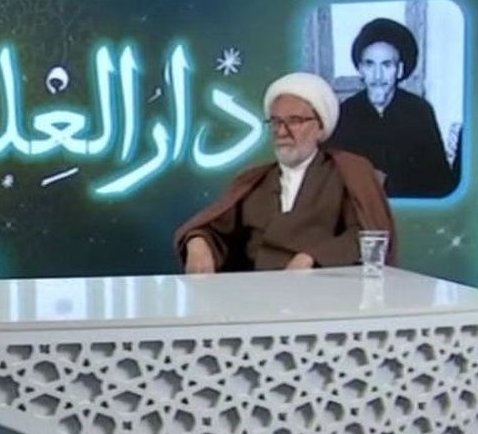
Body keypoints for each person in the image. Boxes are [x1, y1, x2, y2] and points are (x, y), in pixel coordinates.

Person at [174, 72, 398, 274]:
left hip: (322, 293)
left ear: (320, 128)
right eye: (276, 122)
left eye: (294, 121)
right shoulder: (254, 181)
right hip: (255, 294)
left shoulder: (347, 172)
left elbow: (367, 235)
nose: (282, 131)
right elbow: (214, 229)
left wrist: (312, 257)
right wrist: (198, 242)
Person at [328, 17, 456, 198]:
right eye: (370, 64)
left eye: (387, 65)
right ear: (360, 69)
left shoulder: (419, 112)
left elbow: (439, 182)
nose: (378, 76)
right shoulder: (345, 113)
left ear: (400, 70)